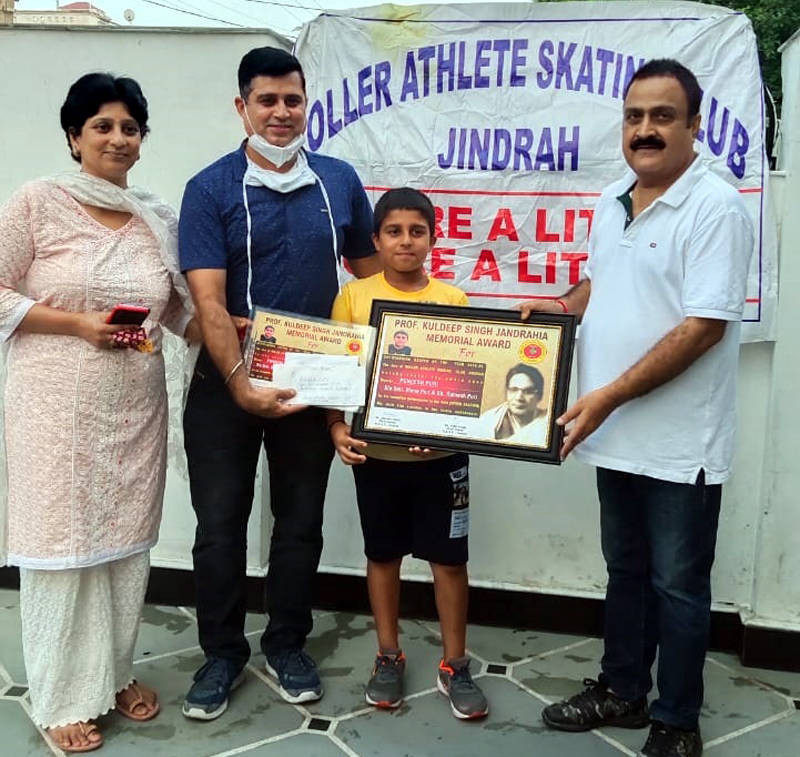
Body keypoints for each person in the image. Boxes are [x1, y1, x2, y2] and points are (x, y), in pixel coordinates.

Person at [519, 60, 753, 757]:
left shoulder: (715, 207)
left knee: (678, 584)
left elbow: (702, 326)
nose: (645, 130)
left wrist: (609, 394)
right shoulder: (613, 195)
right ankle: (623, 689)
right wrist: (562, 309)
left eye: (662, 116)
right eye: (634, 116)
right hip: (612, 429)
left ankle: (678, 720)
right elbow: (603, 277)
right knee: (624, 568)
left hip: (682, 442)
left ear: (694, 125)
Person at [0, 73, 200, 753]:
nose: (118, 138)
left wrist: (259, 343)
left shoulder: (154, 219)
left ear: (142, 142)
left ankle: (112, 674)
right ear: (74, 137)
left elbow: (178, 313)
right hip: (53, 405)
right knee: (61, 550)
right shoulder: (37, 202)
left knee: (122, 548)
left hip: (132, 409)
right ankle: (60, 696)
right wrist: (75, 325)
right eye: (102, 126)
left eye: (130, 127)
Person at [178, 46, 379, 720]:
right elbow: (207, 302)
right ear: (243, 108)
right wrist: (239, 382)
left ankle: (287, 642)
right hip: (222, 386)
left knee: (299, 524)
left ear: (306, 105)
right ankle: (222, 652)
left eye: (292, 99)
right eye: (266, 100)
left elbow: (375, 283)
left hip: (308, 384)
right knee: (219, 525)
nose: (281, 112)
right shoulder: (209, 188)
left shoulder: (339, 180)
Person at [326, 188, 489, 720]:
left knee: (449, 559)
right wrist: (334, 426)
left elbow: (465, 386)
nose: (405, 241)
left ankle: (454, 663)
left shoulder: (453, 301)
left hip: (442, 462)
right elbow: (336, 374)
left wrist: (443, 432)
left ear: (433, 240)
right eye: (393, 231)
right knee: (382, 555)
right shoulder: (353, 297)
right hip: (378, 457)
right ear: (375, 240)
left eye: (417, 231)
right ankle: (388, 654)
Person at [477, 363, 547, 445]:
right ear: (506, 392)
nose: (519, 398)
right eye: (514, 390)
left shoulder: (546, 423)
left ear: (539, 395)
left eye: (528, 391)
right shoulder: (488, 420)